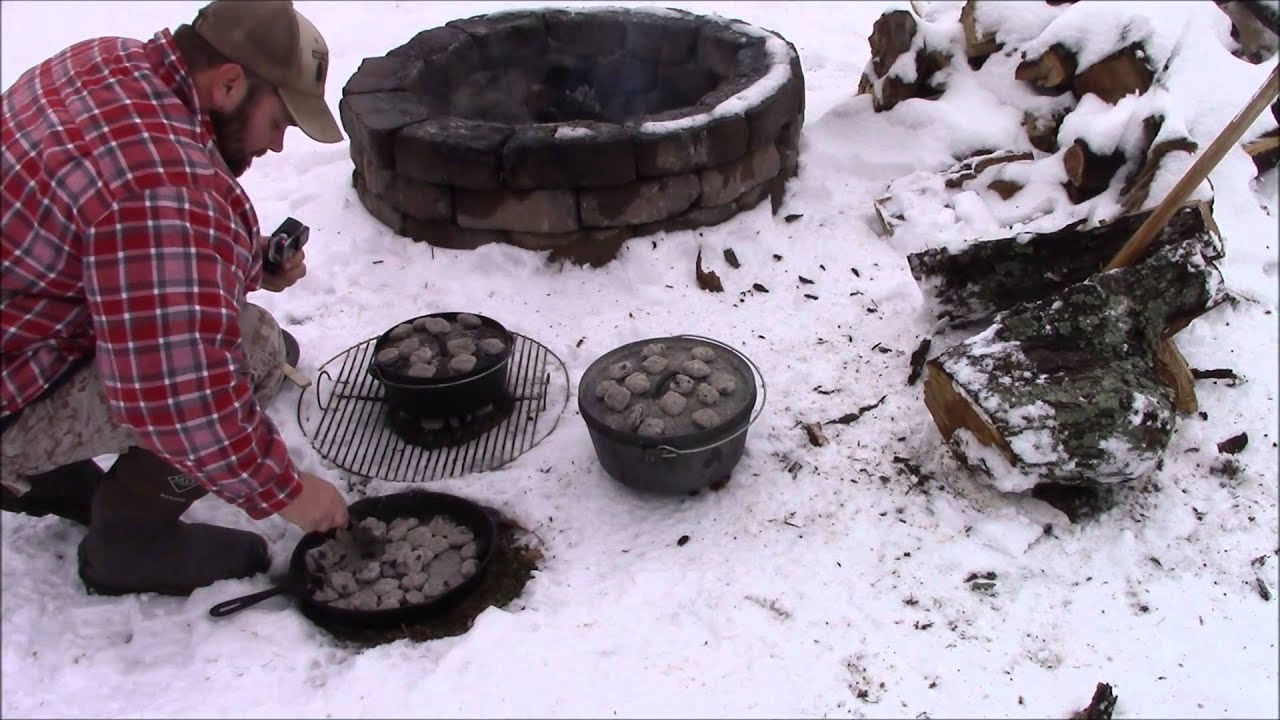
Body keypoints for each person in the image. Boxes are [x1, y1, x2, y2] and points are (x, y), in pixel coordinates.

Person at [1, 0, 350, 597]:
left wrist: (248, 261)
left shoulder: (106, 61)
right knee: (251, 351)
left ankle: (51, 480)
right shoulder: (163, 186)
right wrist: (286, 492)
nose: (278, 146)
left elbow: (128, 235)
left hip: (24, 330)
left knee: (227, 338)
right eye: (279, 122)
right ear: (230, 82)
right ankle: (128, 543)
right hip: (14, 392)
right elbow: (174, 393)